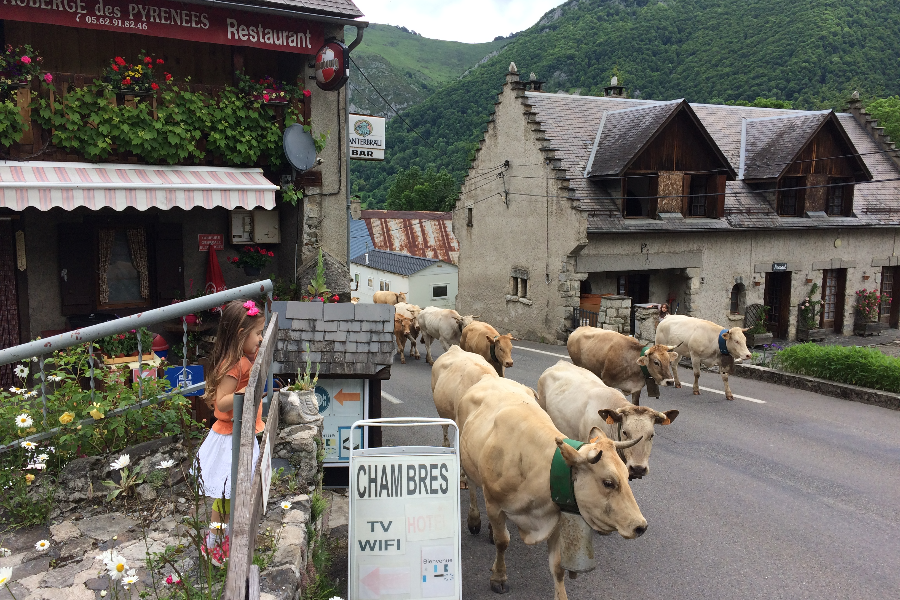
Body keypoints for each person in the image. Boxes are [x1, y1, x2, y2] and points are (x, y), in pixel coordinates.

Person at [194, 299, 266, 558]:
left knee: (232, 494)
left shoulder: (245, 358)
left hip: (239, 432)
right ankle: (214, 541)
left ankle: (224, 537)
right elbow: (220, 402)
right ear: (240, 335)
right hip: (229, 439)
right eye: (257, 334)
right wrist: (245, 392)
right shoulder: (234, 366)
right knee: (226, 495)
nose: (260, 339)